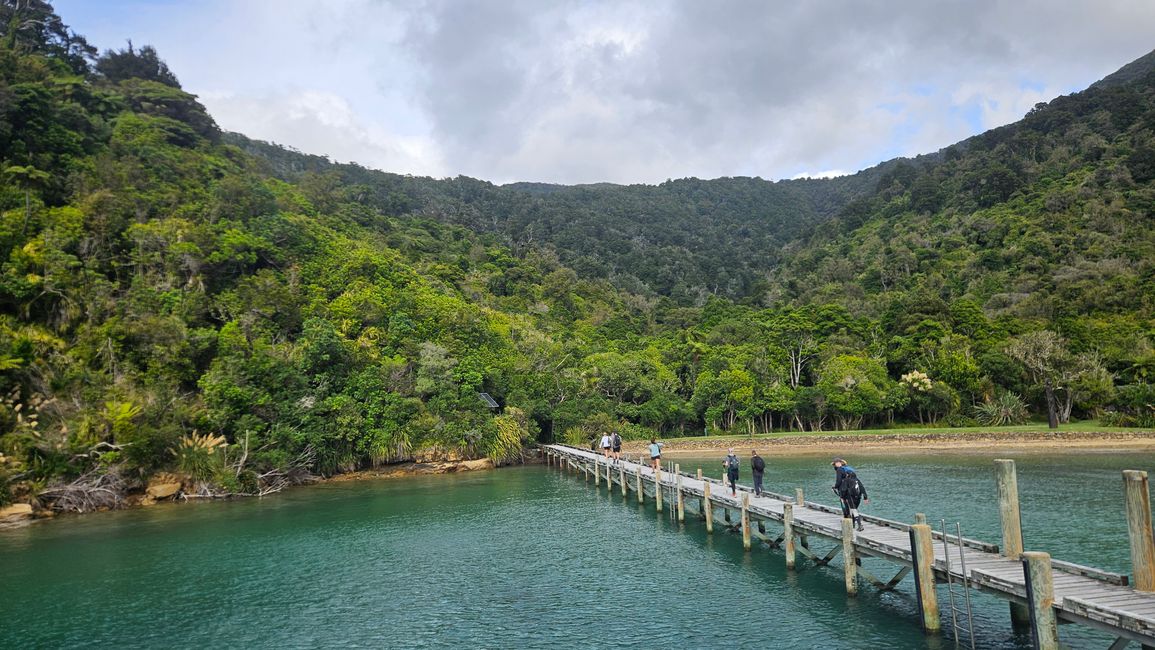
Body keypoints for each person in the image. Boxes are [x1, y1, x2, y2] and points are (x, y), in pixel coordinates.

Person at [831, 458, 868, 531]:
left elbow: (838, 482)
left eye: (835, 464)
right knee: (853, 509)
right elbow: (861, 485)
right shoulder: (850, 471)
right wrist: (865, 496)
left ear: (839, 463)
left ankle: (856, 525)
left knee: (850, 509)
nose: (835, 465)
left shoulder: (840, 470)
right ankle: (853, 525)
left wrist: (836, 489)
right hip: (857, 494)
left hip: (847, 493)